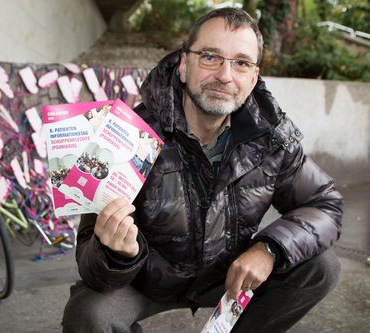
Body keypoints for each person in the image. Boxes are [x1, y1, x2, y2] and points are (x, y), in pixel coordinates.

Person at [62, 7, 343, 333]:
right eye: (210, 57)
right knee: (88, 314)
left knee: (321, 266)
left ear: (252, 78)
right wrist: (116, 254)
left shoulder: (271, 137)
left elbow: (326, 203)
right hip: (145, 278)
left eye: (241, 63)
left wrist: (269, 249)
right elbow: (88, 255)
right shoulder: (127, 133)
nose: (225, 75)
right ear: (184, 65)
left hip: (225, 276)